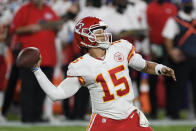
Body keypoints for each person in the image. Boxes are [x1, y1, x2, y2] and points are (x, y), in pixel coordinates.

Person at [33, 16, 176, 130]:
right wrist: (37, 70)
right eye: (99, 32)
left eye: (103, 31)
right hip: (104, 124)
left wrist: (160, 68)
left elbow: (144, 66)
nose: (104, 35)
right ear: (85, 38)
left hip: (130, 117)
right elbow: (56, 94)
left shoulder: (121, 47)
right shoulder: (81, 66)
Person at [9, 0, 59, 122]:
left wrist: (57, 26)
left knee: (42, 89)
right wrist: (28, 28)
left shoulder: (50, 10)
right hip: (29, 58)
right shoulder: (24, 10)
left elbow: (57, 28)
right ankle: (27, 117)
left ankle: (37, 116)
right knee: (28, 88)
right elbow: (14, 29)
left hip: (48, 57)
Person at [162, 0, 196, 119]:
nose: (189, 6)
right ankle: (172, 113)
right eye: (186, 4)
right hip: (182, 58)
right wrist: (171, 52)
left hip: (195, 58)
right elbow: (168, 37)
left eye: (190, 4)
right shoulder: (174, 20)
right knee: (177, 87)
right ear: (181, 5)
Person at [146, 0, 177, 119]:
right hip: (155, 46)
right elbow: (147, 27)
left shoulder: (172, 7)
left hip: (169, 46)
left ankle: (172, 111)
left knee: (171, 79)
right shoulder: (150, 7)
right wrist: (149, 47)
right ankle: (153, 111)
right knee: (152, 79)